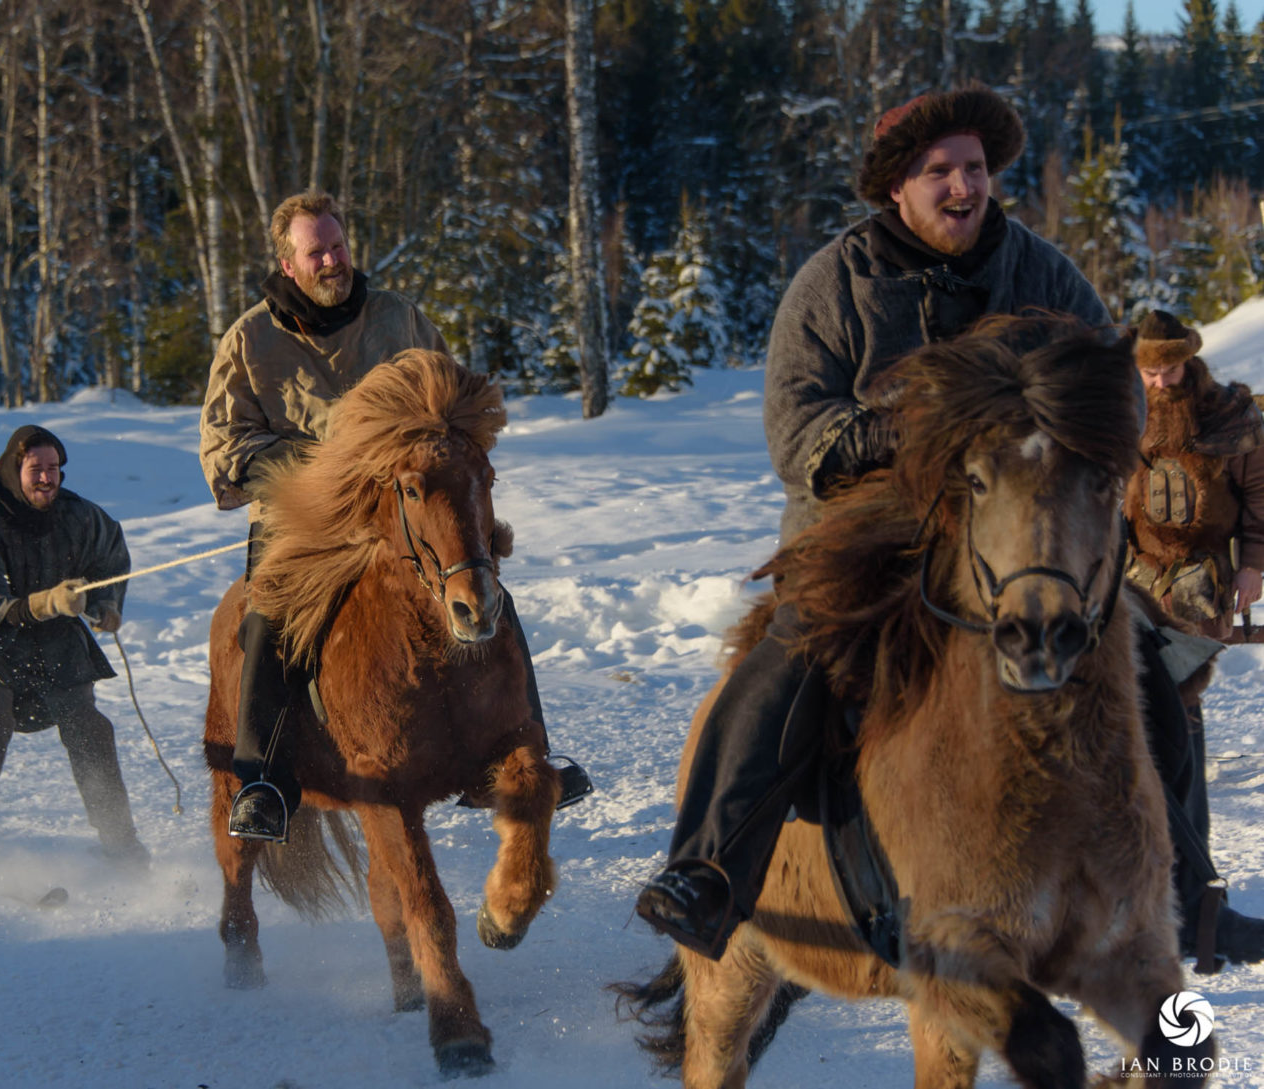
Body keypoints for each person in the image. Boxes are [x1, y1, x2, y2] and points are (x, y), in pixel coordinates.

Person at [635, 83, 1264, 967]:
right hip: (866, 538)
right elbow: (796, 429)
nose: (964, 186)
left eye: (975, 168)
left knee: (1145, 663)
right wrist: (920, 430)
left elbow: (1114, 385)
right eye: (941, 172)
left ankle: (1187, 892)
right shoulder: (834, 283)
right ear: (898, 186)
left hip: (1017, 537)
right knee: (789, 660)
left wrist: (1067, 427)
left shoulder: (1040, 271)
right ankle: (709, 871)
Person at [199, 189, 592, 841]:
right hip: (304, 522)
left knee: (483, 588)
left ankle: (515, 760)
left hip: (401, 515)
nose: (332, 260)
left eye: (338, 245)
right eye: (316, 251)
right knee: (270, 616)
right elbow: (223, 447)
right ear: (288, 262)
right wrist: (319, 462)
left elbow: (455, 400)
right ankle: (263, 780)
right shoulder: (251, 339)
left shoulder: (398, 319)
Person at [0, 425, 148, 877]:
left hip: (56, 646)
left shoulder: (80, 516)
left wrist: (105, 604)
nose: (46, 479)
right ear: (14, 469)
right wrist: (46, 603)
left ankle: (119, 842)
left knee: (90, 729)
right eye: (35, 470)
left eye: (53, 469)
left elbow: (110, 555)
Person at [1125, 309, 1264, 640]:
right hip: (1137, 574)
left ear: (1187, 363)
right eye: (1150, 373)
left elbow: (1260, 492)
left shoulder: (1227, 416)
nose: (1161, 382)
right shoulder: (1124, 414)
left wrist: (1252, 566)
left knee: (1193, 676)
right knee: (1138, 675)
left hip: (1204, 575)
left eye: (1170, 370)